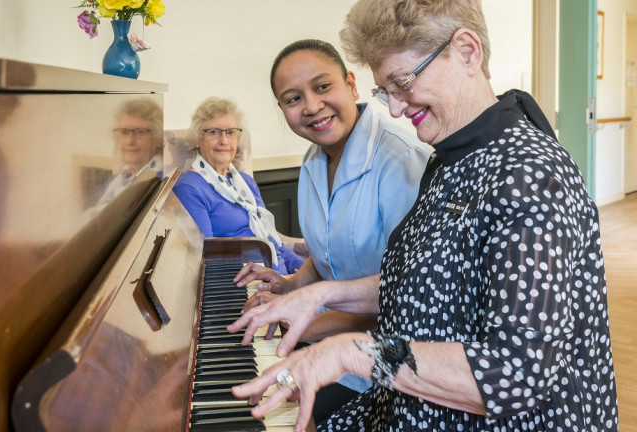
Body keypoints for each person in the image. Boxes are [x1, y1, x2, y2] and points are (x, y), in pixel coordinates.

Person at [228, 1, 618, 431]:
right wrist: (320, 295)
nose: (394, 109)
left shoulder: (529, 173)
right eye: (385, 92)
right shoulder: (452, 157)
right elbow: (427, 286)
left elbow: (516, 372)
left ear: (467, 52)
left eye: (404, 83)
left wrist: (347, 351)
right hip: (413, 405)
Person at [231, 39, 431, 419]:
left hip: (385, 367)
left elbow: (407, 299)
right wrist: (291, 286)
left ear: (351, 85)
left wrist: (303, 323)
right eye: (293, 99)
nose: (310, 106)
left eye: (322, 87)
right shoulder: (312, 160)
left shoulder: (401, 162)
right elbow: (329, 253)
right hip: (329, 340)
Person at [172, 97, 304, 275]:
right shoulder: (189, 187)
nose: (224, 140)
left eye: (230, 132)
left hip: (278, 276)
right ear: (197, 138)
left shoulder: (244, 181)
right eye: (213, 132)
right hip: (246, 281)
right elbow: (207, 257)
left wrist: (303, 273)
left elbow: (273, 243)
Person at [92, 97, 164, 210]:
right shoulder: (119, 178)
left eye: (140, 132)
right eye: (124, 132)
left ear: (158, 138)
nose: (130, 141)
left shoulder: (159, 182)